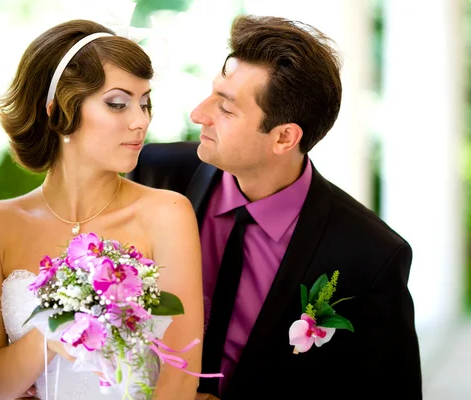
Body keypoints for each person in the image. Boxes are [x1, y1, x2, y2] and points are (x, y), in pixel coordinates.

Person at [127, 15, 422, 399]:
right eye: (212, 93)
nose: (198, 114)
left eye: (227, 109)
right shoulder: (153, 174)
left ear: (284, 137)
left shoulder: (371, 256)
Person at [0, 19, 204, 400]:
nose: (140, 121)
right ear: (58, 110)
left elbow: (180, 376)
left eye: (145, 103)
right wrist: (50, 333)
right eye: (117, 103)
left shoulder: (168, 214)